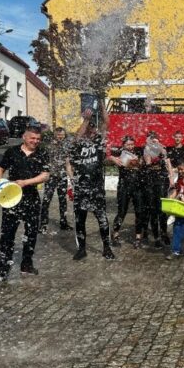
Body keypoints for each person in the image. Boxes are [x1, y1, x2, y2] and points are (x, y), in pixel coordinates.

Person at [0, 126, 49, 280]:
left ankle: (26, 264)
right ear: (24, 137)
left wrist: (26, 182)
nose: (36, 141)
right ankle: (3, 269)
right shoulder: (12, 152)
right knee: (7, 234)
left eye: (38, 139)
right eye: (33, 138)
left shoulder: (43, 152)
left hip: (31, 198)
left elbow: (45, 175)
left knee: (31, 234)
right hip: (11, 199)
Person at [67, 106, 114, 261]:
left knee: (102, 219)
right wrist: (86, 120)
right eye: (88, 130)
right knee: (80, 220)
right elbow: (75, 138)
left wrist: (101, 101)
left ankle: (106, 247)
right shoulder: (78, 144)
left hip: (96, 189)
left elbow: (106, 122)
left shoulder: (99, 143)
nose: (91, 132)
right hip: (81, 189)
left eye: (93, 130)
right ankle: (81, 249)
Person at [109, 135, 145, 247]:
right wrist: (112, 158)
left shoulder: (139, 152)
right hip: (124, 186)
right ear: (123, 145)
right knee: (122, 212)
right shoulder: (119, 153)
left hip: (137, 186)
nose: (130, 146)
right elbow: (105, 157)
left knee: (139, 212)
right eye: (128, 144)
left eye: (132, 144)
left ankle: (138, 236)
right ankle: (115, 234)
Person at [142, 131, 173, 249]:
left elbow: (167, 162)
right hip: (150, 182)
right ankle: (156, 237)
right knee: (153, 210)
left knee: (162, 209)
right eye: (150, 139)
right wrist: (149, 147)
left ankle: (164, 233)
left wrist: (171, 179)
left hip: (161, 182)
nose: (153, 141)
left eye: (155, 139)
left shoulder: (162, 148)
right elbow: (148, 162)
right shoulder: (146, 149)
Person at [39, 127, 72, 233]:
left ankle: (64, 223)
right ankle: (43, 224)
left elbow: (67, 163)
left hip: (62, 176)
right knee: (46, 200)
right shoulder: (48, 146)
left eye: (62, 135)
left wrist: (71, 177)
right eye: (58, 135)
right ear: (54, 135)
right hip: (51, 177)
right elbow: (42, 161)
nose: (61, 137)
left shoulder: (66, 146)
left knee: (63, 201)